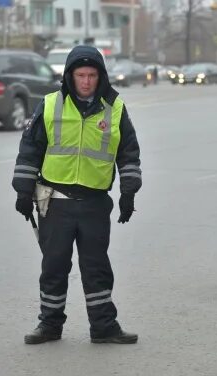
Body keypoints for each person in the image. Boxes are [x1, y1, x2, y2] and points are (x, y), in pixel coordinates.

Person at [12, 45, 142, 345]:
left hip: (95, 203)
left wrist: (128, 192)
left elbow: (129, 154)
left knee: (96, 267)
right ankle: (49, 325)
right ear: (70, 76)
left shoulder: (115, 109)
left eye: (92, 75)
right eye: (80, 75)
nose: (86, 81)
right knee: (54, 266)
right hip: (55, 201)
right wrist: (22, 191)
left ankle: (104, 327)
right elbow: (30, 150)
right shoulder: (50, 105)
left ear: (101, 76)